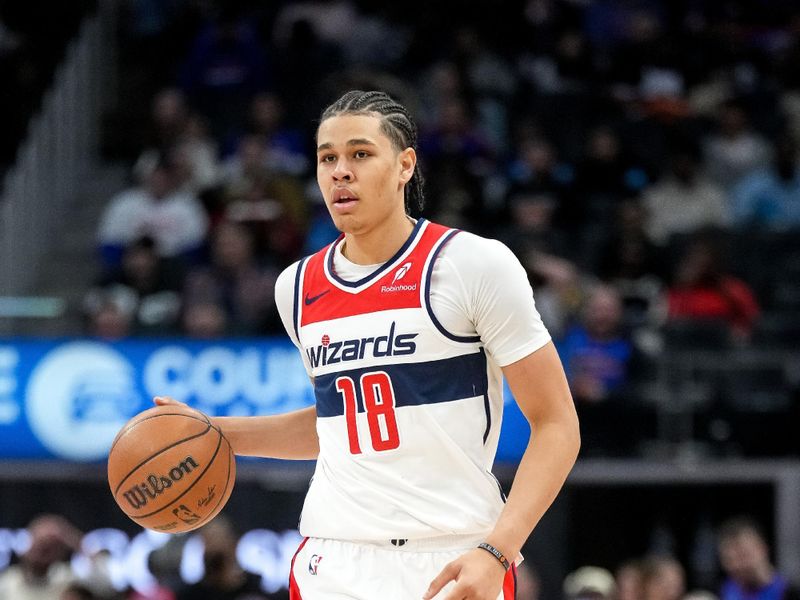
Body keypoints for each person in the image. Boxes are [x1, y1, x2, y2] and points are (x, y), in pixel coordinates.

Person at [156, 89, 580, 600]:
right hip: (333, 556)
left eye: (360, 154)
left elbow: (557, 425)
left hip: (452, 554)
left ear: (404, 166)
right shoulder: (297, 286)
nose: (340, 171)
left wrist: (498, 549)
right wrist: (213, 433)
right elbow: (337, 425)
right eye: (327, 158)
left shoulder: (472, 264)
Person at [717, 516, 800, 600]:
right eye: (730, 559)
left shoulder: (790, 593)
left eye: (743, 556)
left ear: (762, 549)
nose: (737, 566)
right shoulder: (720, 592)